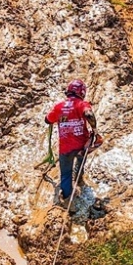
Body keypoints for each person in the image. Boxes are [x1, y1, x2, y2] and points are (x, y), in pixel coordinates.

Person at [45, 79, 99, 207]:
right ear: (82, 93)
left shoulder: (58, 107)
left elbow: (47, 120)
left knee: (66, 174)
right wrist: (95, 130)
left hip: (66, 148)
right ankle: (79, 180)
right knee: (80, 164)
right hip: (82, 145)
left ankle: (68, 200)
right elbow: (89, 115)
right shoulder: (82, 104)